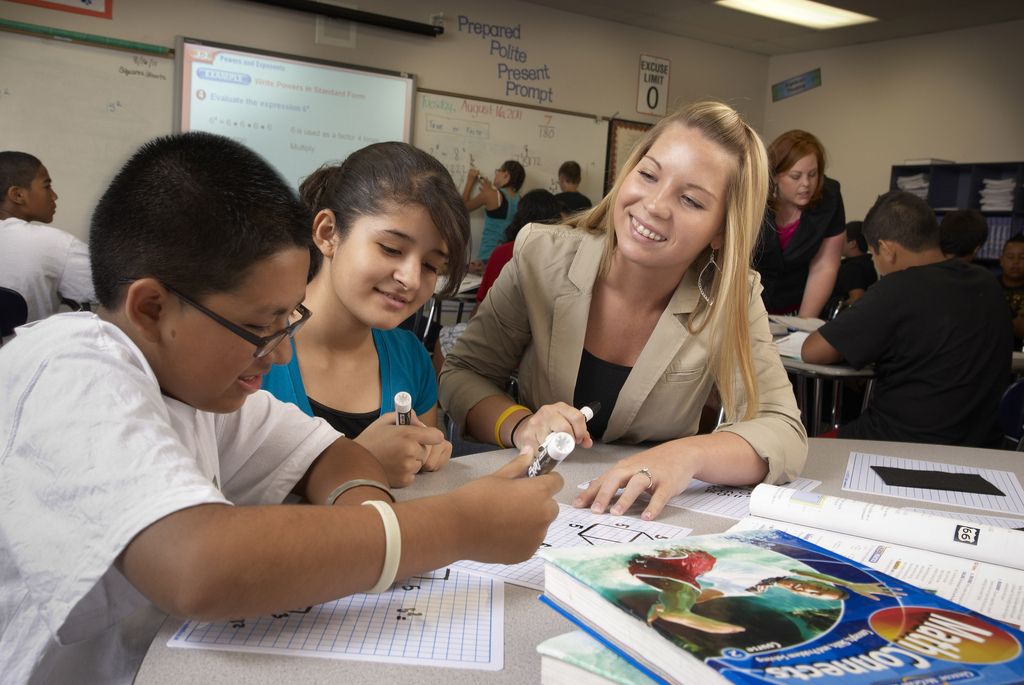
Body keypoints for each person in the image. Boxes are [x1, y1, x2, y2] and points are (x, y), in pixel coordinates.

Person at [0, 132, 561, 684]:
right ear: (151, 308)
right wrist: (456, 526)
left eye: (284, 321)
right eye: (257, 327)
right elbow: (198, 567)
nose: (282, 349)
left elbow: (333, 456)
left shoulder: (200, 391)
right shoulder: (71, 370)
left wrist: (367, 528)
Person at [440, 101, 807, 522]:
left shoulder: (731, 295)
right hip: (530, 504)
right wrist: (519, 424)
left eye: (690, 200)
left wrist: (686, 456)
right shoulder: (541, 254)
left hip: (643, 521)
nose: (654, 205)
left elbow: (783, 429)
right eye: (648, 175)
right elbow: (463, 374)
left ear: (723, 230)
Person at [262, 143, 469, 488]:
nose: (411, 279)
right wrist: (355, 463)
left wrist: (427, 457)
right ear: (328, 233)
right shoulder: (254, 349)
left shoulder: (411, 358)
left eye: (432, 265)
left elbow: (419, 491)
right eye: (391, 249)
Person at [802, 190, 1012, 447]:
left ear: (887, 250)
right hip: (981, 447)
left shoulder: (897, 288)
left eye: (874, 254)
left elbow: (813, 351)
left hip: (900, 445)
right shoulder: (988, 283)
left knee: (801, 450)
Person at [753, 130, 845, 318]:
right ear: (775, 175)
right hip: (749, 302)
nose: (806, 184)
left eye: (813, 174)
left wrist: (803, 325)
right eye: (796, 176)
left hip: (797, 303)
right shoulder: (753, 197)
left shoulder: (829, 197)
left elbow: (824, 265)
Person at [0, 151, 95, 322]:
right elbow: (117, 290)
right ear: (18, 195)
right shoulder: (56, 245)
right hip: (22, 349)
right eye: (47, 186)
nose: (54, 196)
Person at [462, 159, 524, 274]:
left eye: (498, 171)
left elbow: (462, 208)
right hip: (507, 259)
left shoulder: (490, 194)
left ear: (506, 175)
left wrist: (470, 180)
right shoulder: (521, 200)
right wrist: (489, 190)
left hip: (486, 260)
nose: (496, 174)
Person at [823, 220, 876, 316]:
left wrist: (837, 307)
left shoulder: (852, 268)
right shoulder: (868, 264)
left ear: (852, 244)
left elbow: (857, 298)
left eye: (841, 239)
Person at [999, 233, 1024, 348]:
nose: (1016, 262)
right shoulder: (989, 286)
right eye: (1010, 257)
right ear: (1001, 260)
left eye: (1022, 257)